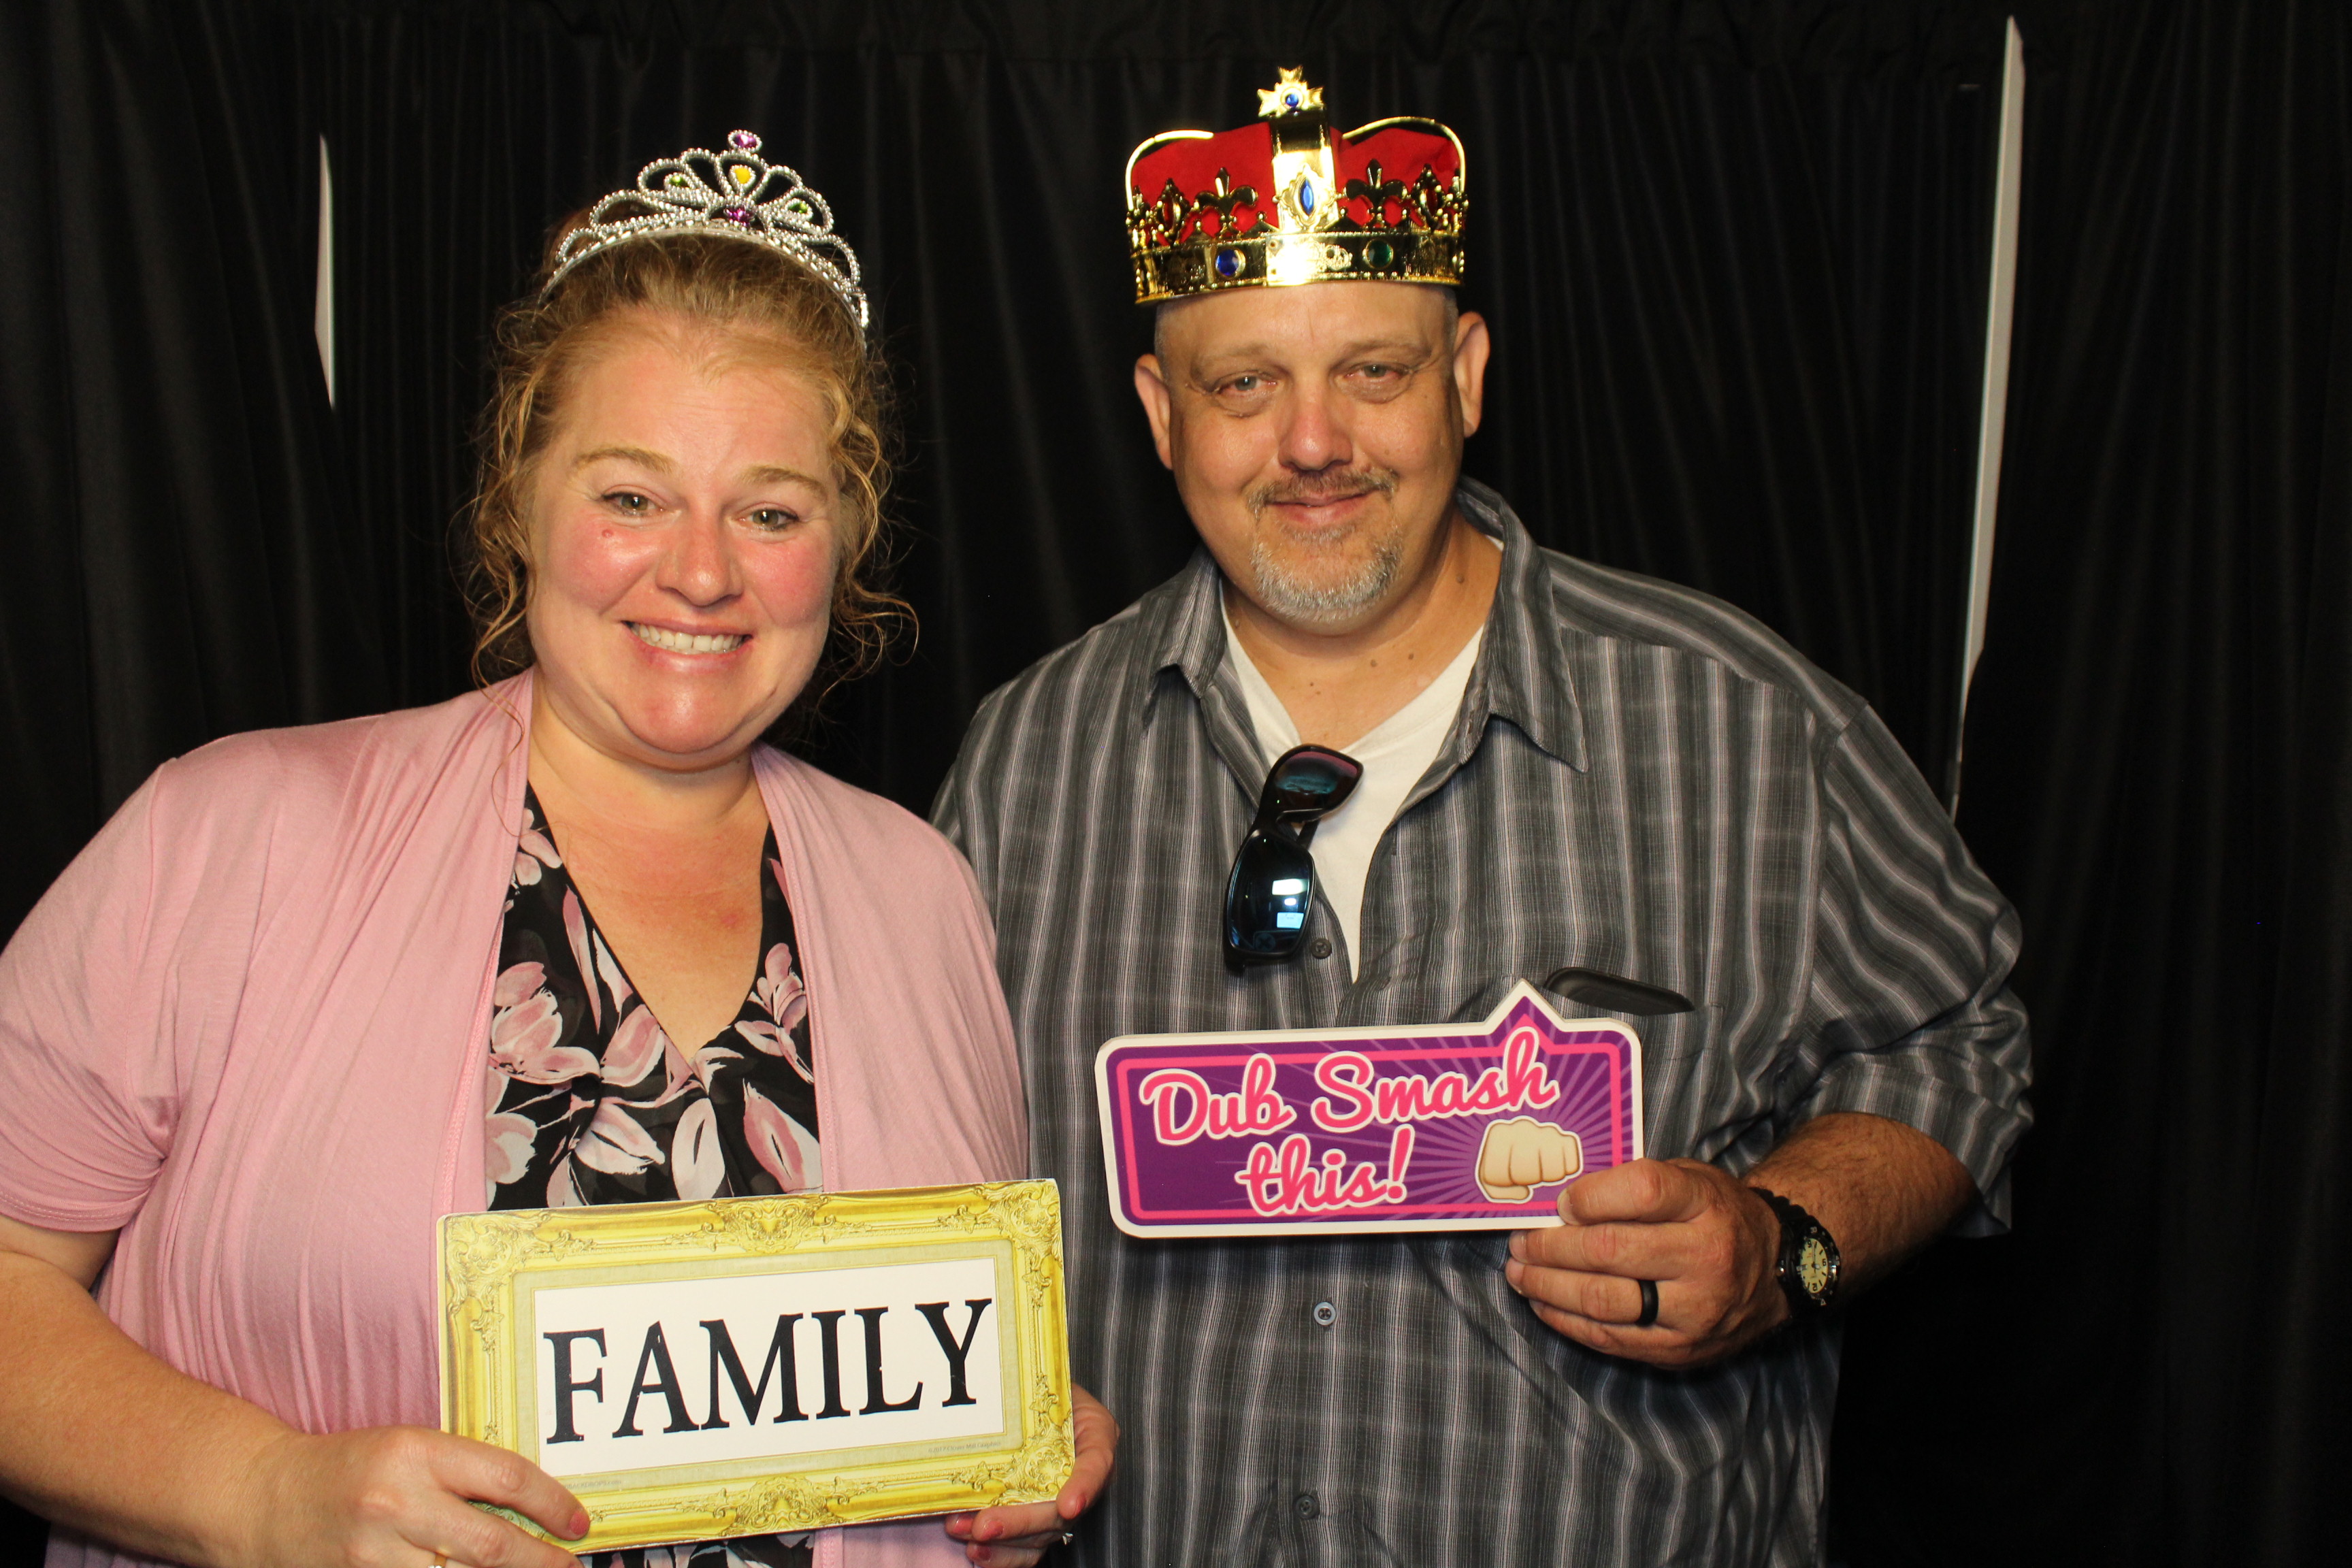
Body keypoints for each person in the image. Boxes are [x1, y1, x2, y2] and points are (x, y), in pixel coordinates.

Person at [934, 72, 2030, 1565]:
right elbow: (924, 1184)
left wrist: (1788, 1245)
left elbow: (1961, 1040)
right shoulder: (1027, 764)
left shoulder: (1750, 726)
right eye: (1246, 384)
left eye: (1373, 373)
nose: (1312, 443)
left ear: (1466, 374)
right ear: (1159, 413)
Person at [0, 133, 1111, 1568]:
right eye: (630, 495)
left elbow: (904, 1375)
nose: (701, 570)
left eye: (770, 511)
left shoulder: (923, 888)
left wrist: (1015, 1440)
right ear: (519, 501)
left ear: (846, 540)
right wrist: (258, 1492)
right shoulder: (233, 837)